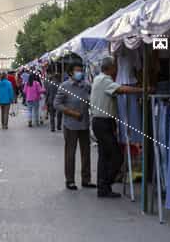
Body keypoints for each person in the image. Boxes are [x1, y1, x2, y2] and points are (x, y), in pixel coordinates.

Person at [90, 56, 143, 198]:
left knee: (104, 156)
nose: (117, 70)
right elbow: (121, 90)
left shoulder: (97, 78)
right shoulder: (105, 80)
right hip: (103, 122)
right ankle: (106, 184)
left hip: (100, 122)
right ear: (111, 68)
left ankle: (103, 187)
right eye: (115, 67)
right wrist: (141, 90)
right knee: (116, 156)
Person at [54, 65, 96, 190]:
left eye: (80, 70)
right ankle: (70, 180)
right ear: (71, 73)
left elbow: (91, 99)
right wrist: (72, 113)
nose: (80, 73)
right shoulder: (65, 86)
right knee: (70, 153)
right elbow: (57, 104)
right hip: (70, 125)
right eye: (77, 70)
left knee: (86, 152)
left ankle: (86, 179)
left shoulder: (86, 86)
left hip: (84, 124)